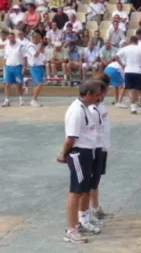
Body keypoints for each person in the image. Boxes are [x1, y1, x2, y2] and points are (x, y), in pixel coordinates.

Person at [57, 81, 102, 244]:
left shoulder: (84, 108)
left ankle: (77, 224)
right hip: (79, 153)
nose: (99, 98)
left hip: (86, 152)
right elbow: (70, 138)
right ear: (88, 94)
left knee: (82, 190)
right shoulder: (77, 111)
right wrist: (63, 154)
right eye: (97, 95)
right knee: (75, 191)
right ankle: (71, 230)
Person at [89, 75, 113, 221]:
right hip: (93, 147)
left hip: (102, 146)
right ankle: (85, 214)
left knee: (95, 181)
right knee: (89, 182)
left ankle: (95, 208)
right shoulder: (92, 107)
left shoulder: (102, 106)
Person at [115, 36, 141, 114]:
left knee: (131, 91)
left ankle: (133, 109)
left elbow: (116, 56)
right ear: (137, 41)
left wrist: (122, 65)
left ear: (130, 41)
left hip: (128, 71)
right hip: (138, 71)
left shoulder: (126, 48)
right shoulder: (140, 48)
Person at [2, 32, 25, 107]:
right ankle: (7, 100)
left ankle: (21, 98)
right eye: (9, 37)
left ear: (14, 37)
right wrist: (4, 67)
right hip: (9, 67)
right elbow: (5, 57)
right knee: (7, 84)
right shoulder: (6, 46)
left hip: (18, 67)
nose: (11, 39)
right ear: (8, 38)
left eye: (12, 37)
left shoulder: (20, 46)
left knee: (19, 84)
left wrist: (24, 67)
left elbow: (24, 57)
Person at [25, 32, 46, 107]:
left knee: (37, 84)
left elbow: (40, 53)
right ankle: (33, 100)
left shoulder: (35, 45)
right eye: (39, 38)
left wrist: (40, 46)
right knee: (40, 83)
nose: (40, 40)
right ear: (35, 38)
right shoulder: (30, 46)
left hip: (38, 65)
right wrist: (40, 45)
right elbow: (35, 55)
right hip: (35, 66)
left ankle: (34, 100)